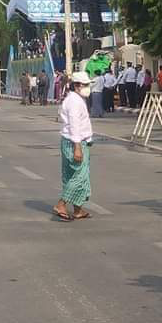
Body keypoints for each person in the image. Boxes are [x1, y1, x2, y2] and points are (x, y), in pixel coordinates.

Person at [54, 72, 95, 221]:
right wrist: (77, 146)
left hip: (72, 140)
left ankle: (78, 209)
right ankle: (61, 204)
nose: (87, 88)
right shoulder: (75, 102)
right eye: (85, 85)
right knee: (79, 176)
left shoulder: (76, 99)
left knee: (71, 176)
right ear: (76, 86)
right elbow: (74, 125)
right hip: (74, 142)